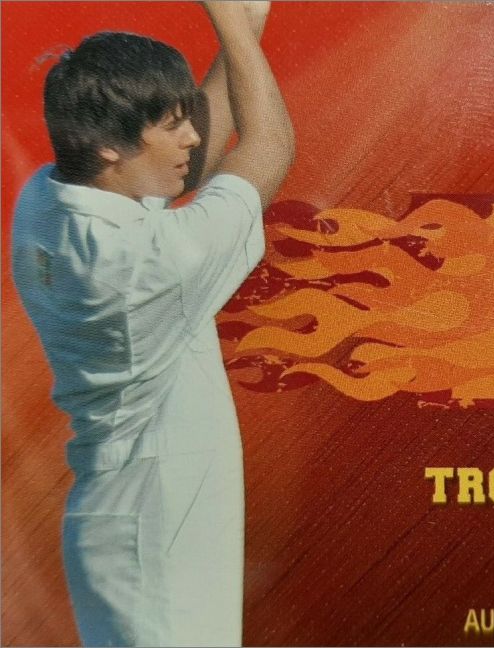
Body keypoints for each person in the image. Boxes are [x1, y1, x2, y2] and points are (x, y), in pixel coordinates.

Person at [10, 2, 294, 645]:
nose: (192, 138)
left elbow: (185, 165)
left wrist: (246, 21)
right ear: (109, 147)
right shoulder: (145, 265)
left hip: (127, 524)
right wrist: (229, 22)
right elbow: (270, 147)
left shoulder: (51, 197)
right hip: (158, 540)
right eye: (172, 126)